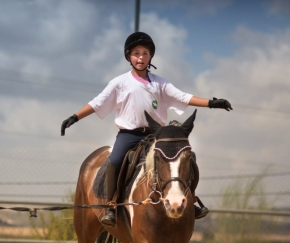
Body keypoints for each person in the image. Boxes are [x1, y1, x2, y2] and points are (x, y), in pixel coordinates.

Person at [61, 32, 232, 226]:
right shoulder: (119, 83)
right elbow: (97, 103)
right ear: (128, 56)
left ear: (150, 56)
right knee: (115, 159)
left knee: (188, 157)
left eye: (144, 53)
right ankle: (111, 206)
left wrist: (211, 103)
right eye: (136, 53)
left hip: (157, 136)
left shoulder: (160, 83)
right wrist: (74, 117)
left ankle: (192, 201)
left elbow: (183, 97)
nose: (140, 57)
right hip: (129, 135)